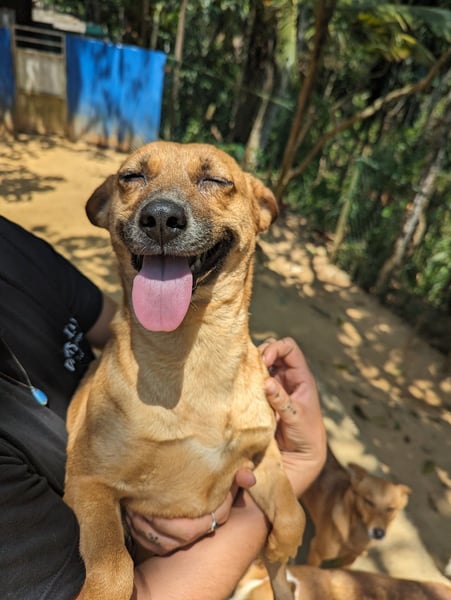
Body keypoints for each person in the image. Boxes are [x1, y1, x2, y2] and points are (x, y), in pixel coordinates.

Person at [0, 215, 326, 600]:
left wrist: (216, 358)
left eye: (215, 185)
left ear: (260, 212)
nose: (161, 209)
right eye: (134, 183)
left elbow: (116, 321)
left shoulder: (10, 245)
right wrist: (298, 469)